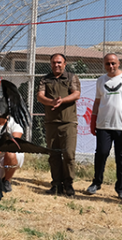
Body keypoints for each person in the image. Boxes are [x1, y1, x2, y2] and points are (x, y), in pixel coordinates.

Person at [86, 53, 122, 201]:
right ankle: (96, 183)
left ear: (119, 63)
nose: (111, 66)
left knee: (121, 157)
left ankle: (121, 189)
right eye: (107, 64)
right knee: (101, 153)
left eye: (113, 63)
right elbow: (97, 102)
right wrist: (93, 119)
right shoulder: (100, 80)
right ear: (104, 65)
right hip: (104, 125)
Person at [36, 53, 81, 196]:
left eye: (59, 62)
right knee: (53, 155)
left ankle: (68, 184)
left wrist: (62, 101)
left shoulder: (71, 77)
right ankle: (56, 184)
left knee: (68, 154)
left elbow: (76, 94)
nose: (57, 65)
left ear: (65, 64)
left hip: (68, 122)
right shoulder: (45, 79)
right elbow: (40, 95)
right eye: (54, 62)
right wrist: (51, 102)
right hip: (51, 123)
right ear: (51, 64)